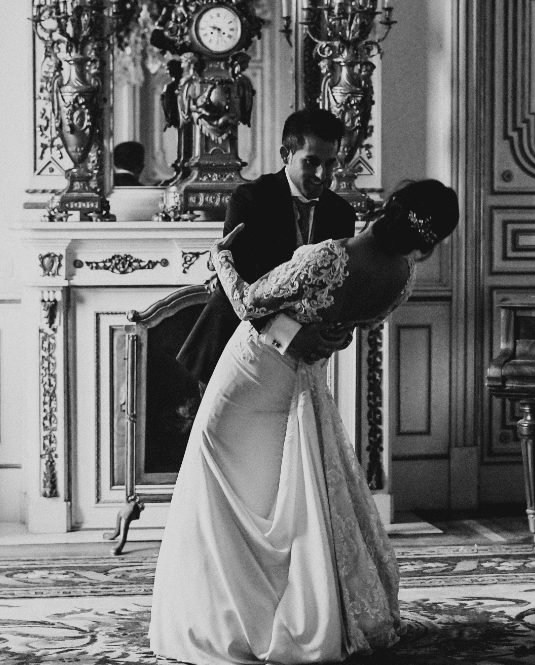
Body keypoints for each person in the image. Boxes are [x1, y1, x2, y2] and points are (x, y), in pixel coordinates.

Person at [149, 178, 460, 665]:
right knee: (275, 490)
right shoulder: (401, 279)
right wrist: (315, 335)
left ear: (389, 206)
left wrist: (220, 260)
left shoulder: (327, 257)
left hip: (252, 373)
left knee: (216, 466)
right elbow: (345, 330)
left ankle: (222, 614)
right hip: (300, 380)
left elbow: (249, 303)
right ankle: (269, 605)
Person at [176, 108, 357, 389]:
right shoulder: (249, 199)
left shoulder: (342, 213)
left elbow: (341, 285)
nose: (323, 175)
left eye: (331, 163)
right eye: (311, 162)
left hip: (300, 366)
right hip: (232, 351)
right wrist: (291, 336)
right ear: (286, 155)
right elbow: (240, 282)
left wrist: (338, 333)